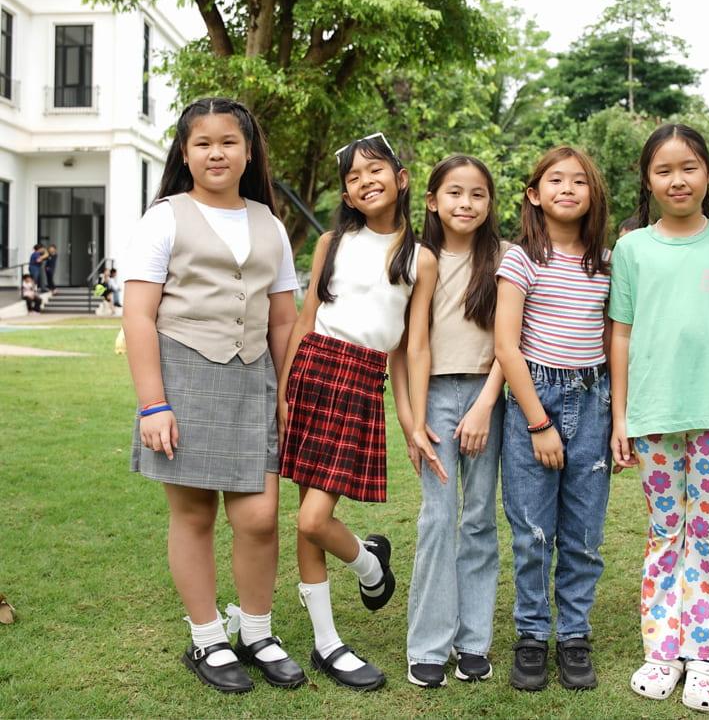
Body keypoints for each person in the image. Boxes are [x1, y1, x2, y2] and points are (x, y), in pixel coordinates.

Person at [122, 97, 305, 695]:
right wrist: (154, 403)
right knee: (195, 514)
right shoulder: (165, 218)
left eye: (229, 142)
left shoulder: (269, 224)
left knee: (259, 517)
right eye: (203, 143)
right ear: (185, 152)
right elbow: (140, 317)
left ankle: (256, 631)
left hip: (254, 378)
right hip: (184, 376)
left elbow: (283, 321)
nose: (217, 152)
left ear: (249, 153)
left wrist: (286, 390)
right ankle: (207, 638)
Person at [609, 123, 709, 713]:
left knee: (707, 533)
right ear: (648, 180)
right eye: (663, 170)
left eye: (689, 167)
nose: (677, 180)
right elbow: (620, 336)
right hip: (651, 415)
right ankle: (662, 650)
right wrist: (619, 417)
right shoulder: (630, 249)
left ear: (707, 172)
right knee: (664, 532)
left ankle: (705, 657)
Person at [278, 132, 438, 692]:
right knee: (306, 517)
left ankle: (370, 563)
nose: (365, 181)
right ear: (346, 193)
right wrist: (284, 389)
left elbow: (412, 345)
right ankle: (327, 644)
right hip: (314, 370)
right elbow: (305, 321)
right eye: (353, 177)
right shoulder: (330, 243)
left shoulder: (420, 258)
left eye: (376, 171)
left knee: (313, 520)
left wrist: (411, 416)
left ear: (402, 178)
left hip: (361, 381)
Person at [494, 146, 613, 692]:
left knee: (584, 533)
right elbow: (506, 344)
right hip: (533, 399)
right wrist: (539, 423)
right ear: (533, 194)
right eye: (555, 180)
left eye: (579, 181)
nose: (567, 189)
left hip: (593, 398)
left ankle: (574, 637)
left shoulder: (606, 263)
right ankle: (532, 636)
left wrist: (617, 419)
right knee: (532, 532)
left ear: (593, 195)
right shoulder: (520, 259)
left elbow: (613, 342)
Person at [405, 155, 508, 689]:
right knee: (438, 518)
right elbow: (410, 344)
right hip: (437, 396)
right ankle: (427, 644)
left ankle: (473, 642)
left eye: (477, 195)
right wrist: (415, 417)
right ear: (432, 201)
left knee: (479, 520)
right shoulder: (418, 258)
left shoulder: (506, 258)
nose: (465, 204)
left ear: (490, 203)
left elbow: (514, 344)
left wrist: (486, 404)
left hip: (489, 396)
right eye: (454, 193)